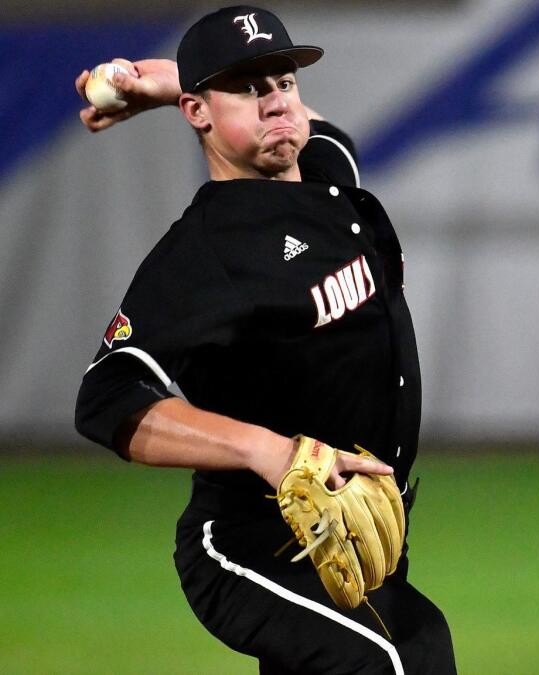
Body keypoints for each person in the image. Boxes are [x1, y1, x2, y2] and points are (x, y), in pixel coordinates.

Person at [73, 6, 455, 673]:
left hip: (344, 531)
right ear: (202, 113)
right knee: (387, 661)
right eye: (250, 88)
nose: (277, 101)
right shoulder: (204, 251)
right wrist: (270, 451)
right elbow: (105, 398)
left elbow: (312, 131)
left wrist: (165, 86)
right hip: (247, 544)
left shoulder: (329, 176)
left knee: (421, 648)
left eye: (285, 81)